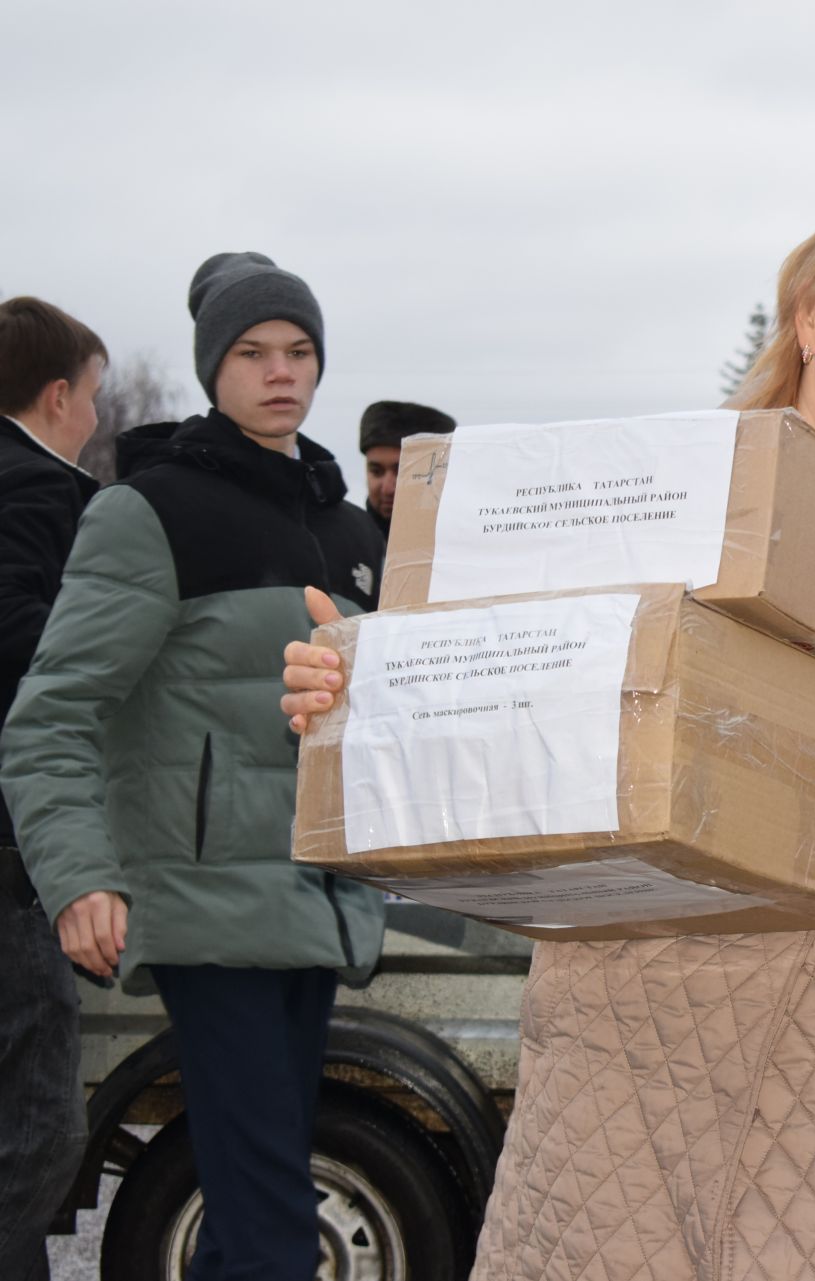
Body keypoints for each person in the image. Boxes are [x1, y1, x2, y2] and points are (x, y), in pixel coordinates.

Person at [283, 187, 815, 1281]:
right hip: (624, 1057)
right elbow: (519, 694)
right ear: (809, 317)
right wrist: (359, 688)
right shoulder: (658, 485)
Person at [1, 253, 387, 1281]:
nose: (280, 372)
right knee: (269, 1225)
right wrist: (80, 874)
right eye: (254, 352)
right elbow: (52, 713)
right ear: (213, 367)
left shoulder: (350, 533)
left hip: (318, 901)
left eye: (300, 351)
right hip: (202, 905)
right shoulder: (152, 511)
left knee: (250, 1203)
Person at [0, 296, 106, 1281]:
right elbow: (29, 647)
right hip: (12, 851)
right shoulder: (37, 489)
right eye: (94, 396)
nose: (96, 420)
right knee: (39, 1128)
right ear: (59, 393)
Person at [359, 399, 454, 536]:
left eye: (402, 472)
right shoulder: (345, 539)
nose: (387, 488)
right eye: (377, 472)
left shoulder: (465, 546)